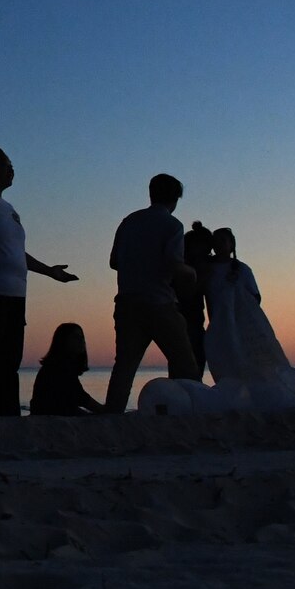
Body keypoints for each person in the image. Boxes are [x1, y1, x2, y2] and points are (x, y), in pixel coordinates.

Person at [0, 146, 77, 416]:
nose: (12, 171)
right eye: (7, 165)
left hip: (14, 294)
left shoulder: (8, 209)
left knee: (10, 360)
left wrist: (50, 271)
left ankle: (8, 414)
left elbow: (17, 253)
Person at [199, 228, 295, 407]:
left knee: (259, 362)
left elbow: (255, 298)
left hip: (247, 326)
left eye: (223, 241)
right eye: (216, 241)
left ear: (231, 244)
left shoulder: (242, 269)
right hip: (221, 324)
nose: (219, 245)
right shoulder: (209, 270)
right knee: (227, 360)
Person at [103, 173, 201, 412]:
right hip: (159, 303)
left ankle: (113, 414)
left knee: (125, 365)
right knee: (185, 363)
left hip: (127, 302)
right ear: (175, 198)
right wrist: (191, 273)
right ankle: (194, 411)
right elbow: (173, 264)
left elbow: (114, 261)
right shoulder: (172, 225)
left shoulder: (129, 221)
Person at [29, 323, 104, 415]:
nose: (82, 341)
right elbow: (79, 397)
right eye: (76, 337)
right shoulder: (58, 367)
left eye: (82, 337)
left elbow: (71, 402)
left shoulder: (62, 366)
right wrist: (103, 410)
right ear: (63, 341)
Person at [178, 220, 215, 372]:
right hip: (184, 321)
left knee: (194, 362)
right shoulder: (183, 267)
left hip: (195, 321)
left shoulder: (199, 264)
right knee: (189, 364)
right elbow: (187, 293)